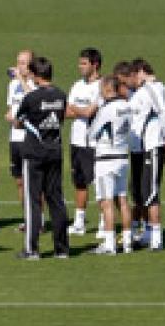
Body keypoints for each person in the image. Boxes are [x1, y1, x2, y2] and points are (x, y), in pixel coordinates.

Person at [14, 56, 69, 260]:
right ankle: (62, 249)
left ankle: (32, 249)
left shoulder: (31, 98)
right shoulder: (61, 96)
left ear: (36, 76)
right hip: (55, 151)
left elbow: (18, 121)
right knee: (56, 200)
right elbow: (60, 119)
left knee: (33, 201)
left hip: (34, 153)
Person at [130, 58, 165, 251]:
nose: (132, 81)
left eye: (133, 76)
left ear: (140, 72)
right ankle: (147, 233)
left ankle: (157, 238)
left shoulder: (153, 88)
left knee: (150, 191)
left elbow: (163, 114)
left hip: (152, 145)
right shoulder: (142, 91)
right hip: (139, 147)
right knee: (140, 192)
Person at [88, 76, 133, 255]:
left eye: (101, 87)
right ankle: (127, 242)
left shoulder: (107, 109)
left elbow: (92, 133)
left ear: (108, 88)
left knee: (106, 202)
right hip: (122, 157)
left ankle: (109, 245)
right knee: (122, 200)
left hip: (106, 159)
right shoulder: (127, 106)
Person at [66, 48, 103, 236]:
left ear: (95, 65)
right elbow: (66, 112)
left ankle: (104, 223)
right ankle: (79, 223)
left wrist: (77, 109)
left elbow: (90, 112)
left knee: (98, 184)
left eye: (84, 63)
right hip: (76, 140)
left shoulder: (102, 86)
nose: (80, 66)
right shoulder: (77, 85)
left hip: (93, 143)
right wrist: (83, 110)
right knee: (79, 182)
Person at [5, 49, 36, 232]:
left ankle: (38, 220)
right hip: (14, 137)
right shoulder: (13, 84)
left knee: (33, 181)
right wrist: (9, 115)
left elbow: (33, 99)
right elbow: (12, 106)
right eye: (18, 62)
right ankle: (27, 219)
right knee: (19, 181)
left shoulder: (35, 83)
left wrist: (22, 80)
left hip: (29, 138)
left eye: (23, 63)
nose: (19, 66)